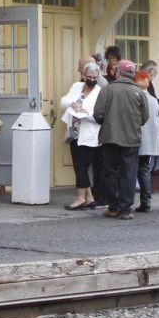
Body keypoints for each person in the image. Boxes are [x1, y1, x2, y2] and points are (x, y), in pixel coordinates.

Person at [91, 60, 148, 220]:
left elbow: (98, 114)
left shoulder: (108, 90)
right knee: (129, 172)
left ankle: (114, 206)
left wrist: (108, 123)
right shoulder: (139, 92)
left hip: (110, 137)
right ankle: (126, 209)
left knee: (110, 172)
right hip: (132, 138)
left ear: (118, 72)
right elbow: (144, 118)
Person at [60, 60, 103, 211]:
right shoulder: (76, 87)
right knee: (78, 164)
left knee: (82, 166)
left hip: (90, 133)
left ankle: (80, 198)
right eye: (89, 77)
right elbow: (63, 101)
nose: (92, 80)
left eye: (95, 77)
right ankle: (89, 198)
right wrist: (72, 104)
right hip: (74, 131)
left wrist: (88, 114)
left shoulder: (100, 91)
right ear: (83, 75)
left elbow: (102, 114)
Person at [135, 67, 159, 213]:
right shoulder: (154, 101)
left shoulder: (135, 98)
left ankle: (127, 201)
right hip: (150, 140)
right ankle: (146, 201)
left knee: (130, 170)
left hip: (136, 140)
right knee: (144, 170)